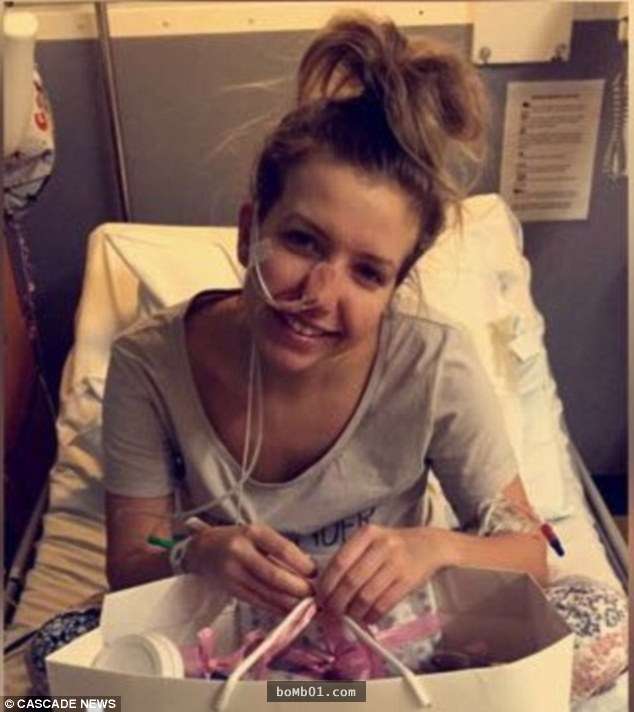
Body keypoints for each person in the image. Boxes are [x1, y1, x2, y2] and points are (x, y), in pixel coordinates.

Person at [102, 13, 549, 627]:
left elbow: (531, 553)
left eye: (367, 273)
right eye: (302, 241)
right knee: (53, 667)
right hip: (224, 639)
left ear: (394, 288)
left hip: (393, 643)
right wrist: (195, 552)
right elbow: (133, 557)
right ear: (248, 231)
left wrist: (434, 547)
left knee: (599, 617)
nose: (319, 294)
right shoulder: (149, 364)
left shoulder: (435, 367)